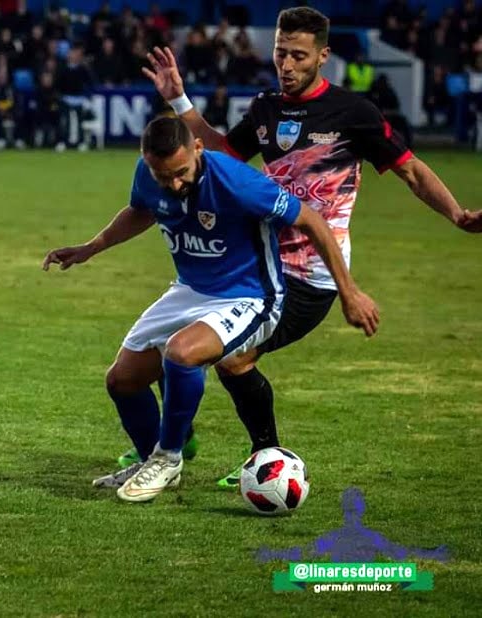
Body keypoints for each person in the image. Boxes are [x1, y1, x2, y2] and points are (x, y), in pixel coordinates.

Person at [116, 6, 482, 488]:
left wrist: (455, 214)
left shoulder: (354, 113)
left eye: (298, 55)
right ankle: (190, 444)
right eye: (280, 53)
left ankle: (259, 458)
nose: (286, 64)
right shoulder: (267, 108)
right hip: (258, 262)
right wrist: (181, 101)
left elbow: (410, 170)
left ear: (323, 56)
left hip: (312, 274)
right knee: (190, 341)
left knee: (230, 358)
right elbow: (221, 153)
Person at [43, 116, 378, 501]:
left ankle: (168, 458)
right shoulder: (150, 172)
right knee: (122, 380)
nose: (174, 184)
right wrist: (92, 247)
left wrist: (349, 293)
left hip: (250, 295)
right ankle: (155, 458)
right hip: (190, 289)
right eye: (163, 175)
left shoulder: (238, 183)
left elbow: (312, 221)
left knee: (182, 354)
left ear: (198, 150)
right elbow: (141, 210)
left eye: (181, 173)